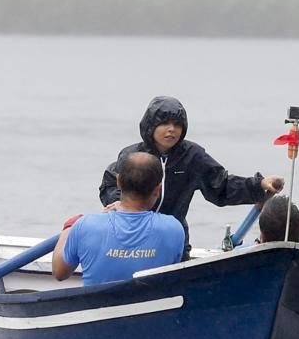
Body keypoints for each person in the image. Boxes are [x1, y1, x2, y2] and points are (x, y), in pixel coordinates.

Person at [98, 96, 284, 259]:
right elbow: (110, 184)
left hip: (174, 241)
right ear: (150, 125)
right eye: (165, 123)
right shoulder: (132, 156)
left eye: (177, 125)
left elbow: (221, 186)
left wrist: (259, 185)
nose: (172, 129)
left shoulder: (193, 156)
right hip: (129, 240)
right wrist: (118, 202)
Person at [53, 152, 185, 286]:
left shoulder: (85, 225)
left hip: (99, 305)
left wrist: (69, 228)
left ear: (118, 182)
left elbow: (60, 272)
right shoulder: (173, 228)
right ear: (158, 189)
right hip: (151, 305)